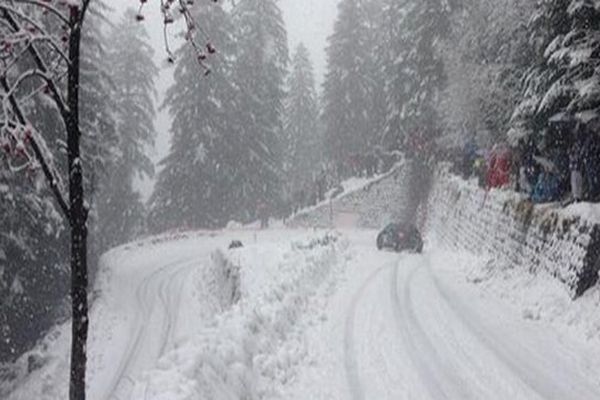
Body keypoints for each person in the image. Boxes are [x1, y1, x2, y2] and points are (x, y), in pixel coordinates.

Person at [569, 131, 584, 202]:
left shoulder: (575, 147)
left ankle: (576, 196)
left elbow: (573, 156)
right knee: (578, 182)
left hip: (575, 167)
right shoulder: (580, 145)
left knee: (575, 183)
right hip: (578, 167)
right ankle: (578, 196)